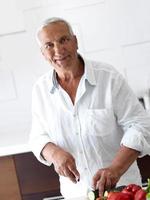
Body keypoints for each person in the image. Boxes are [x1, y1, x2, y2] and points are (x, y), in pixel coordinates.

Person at [29, 17, 150, 199]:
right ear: (43, 53)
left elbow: (140, 125)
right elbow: (37, 136)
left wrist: (115, 169)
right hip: (75, 194)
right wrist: (54, 153)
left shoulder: (108, 78)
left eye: (63, 40)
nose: (58, 50)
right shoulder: (40, 90)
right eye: (49, 45)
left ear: (75, 41)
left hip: (122, 191)